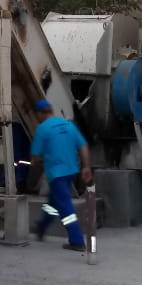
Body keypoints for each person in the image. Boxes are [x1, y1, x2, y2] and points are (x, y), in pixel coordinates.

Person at [30, 98, 93, 251]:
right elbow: (83, 146)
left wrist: (35, 165)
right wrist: (86, 167)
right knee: (54, 203)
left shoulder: (43, 129)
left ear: (39, 114)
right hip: (71, 171)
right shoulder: (68, 124)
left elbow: (35, 158)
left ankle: (77, 240)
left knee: (65, 207)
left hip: (56, 174)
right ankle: (41, 227)